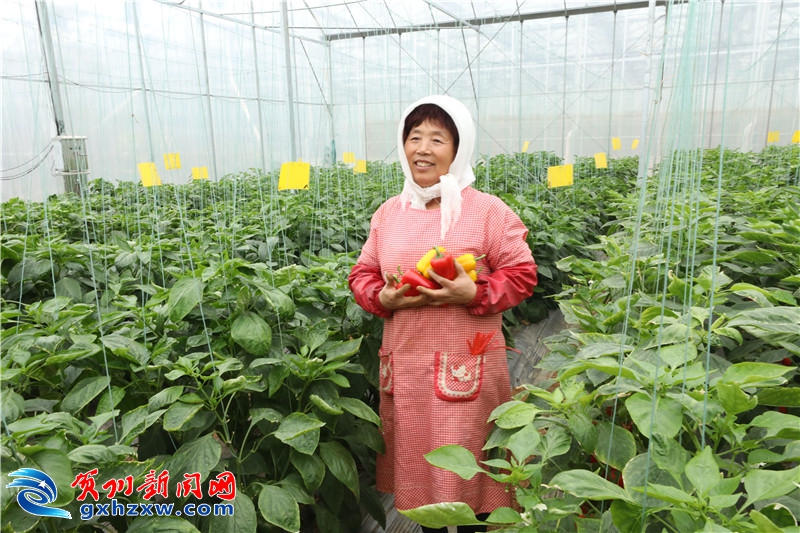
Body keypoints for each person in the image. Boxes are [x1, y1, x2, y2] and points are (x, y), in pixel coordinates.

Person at [348, 95, 538, 533]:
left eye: (437, 138)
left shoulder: (486, 211)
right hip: (409, 369)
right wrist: (383, 297)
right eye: (414, 138)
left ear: (459, 148)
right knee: (424, 479)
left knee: (473, 477)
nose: (423, 149)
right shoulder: (388, 214)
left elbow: (523, 273)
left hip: (465, 364)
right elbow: (362, 273)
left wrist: (474, 291)